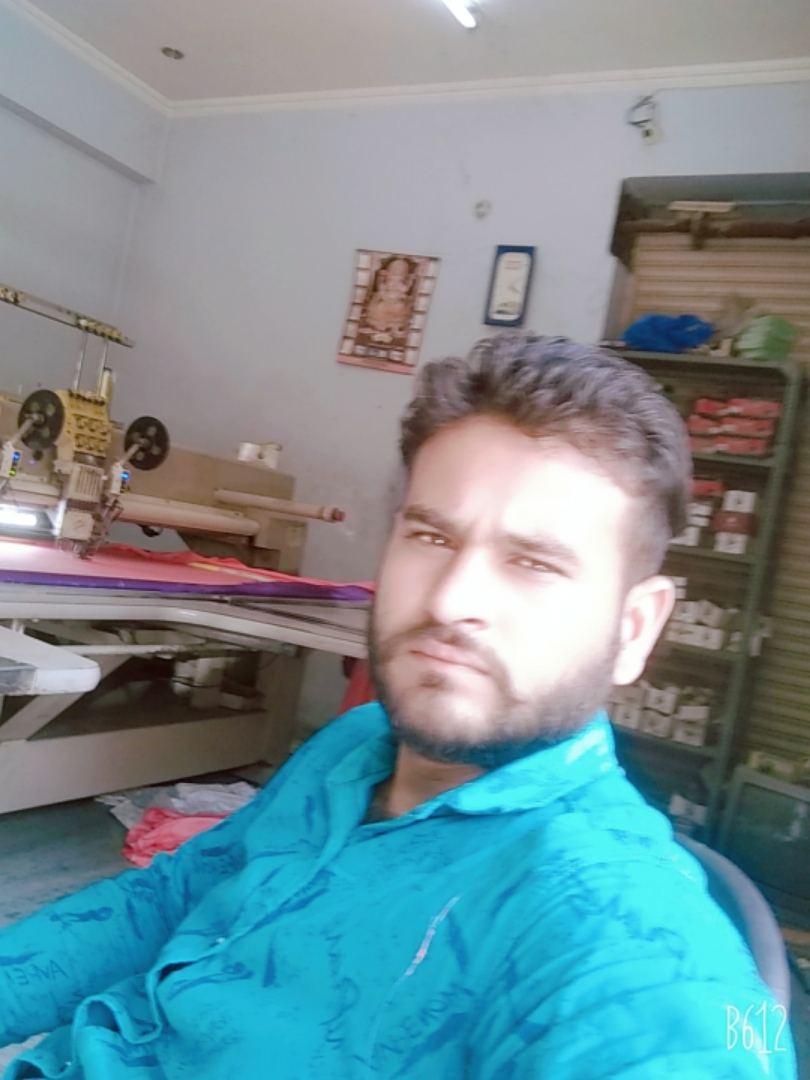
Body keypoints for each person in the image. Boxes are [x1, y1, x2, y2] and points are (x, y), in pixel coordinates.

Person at [0, 334, 795, 1079]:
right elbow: (169, 897)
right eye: (433, 538)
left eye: (534, 563)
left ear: (634, 629)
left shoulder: (622, 938)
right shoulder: (356, 745)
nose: (451, 601)